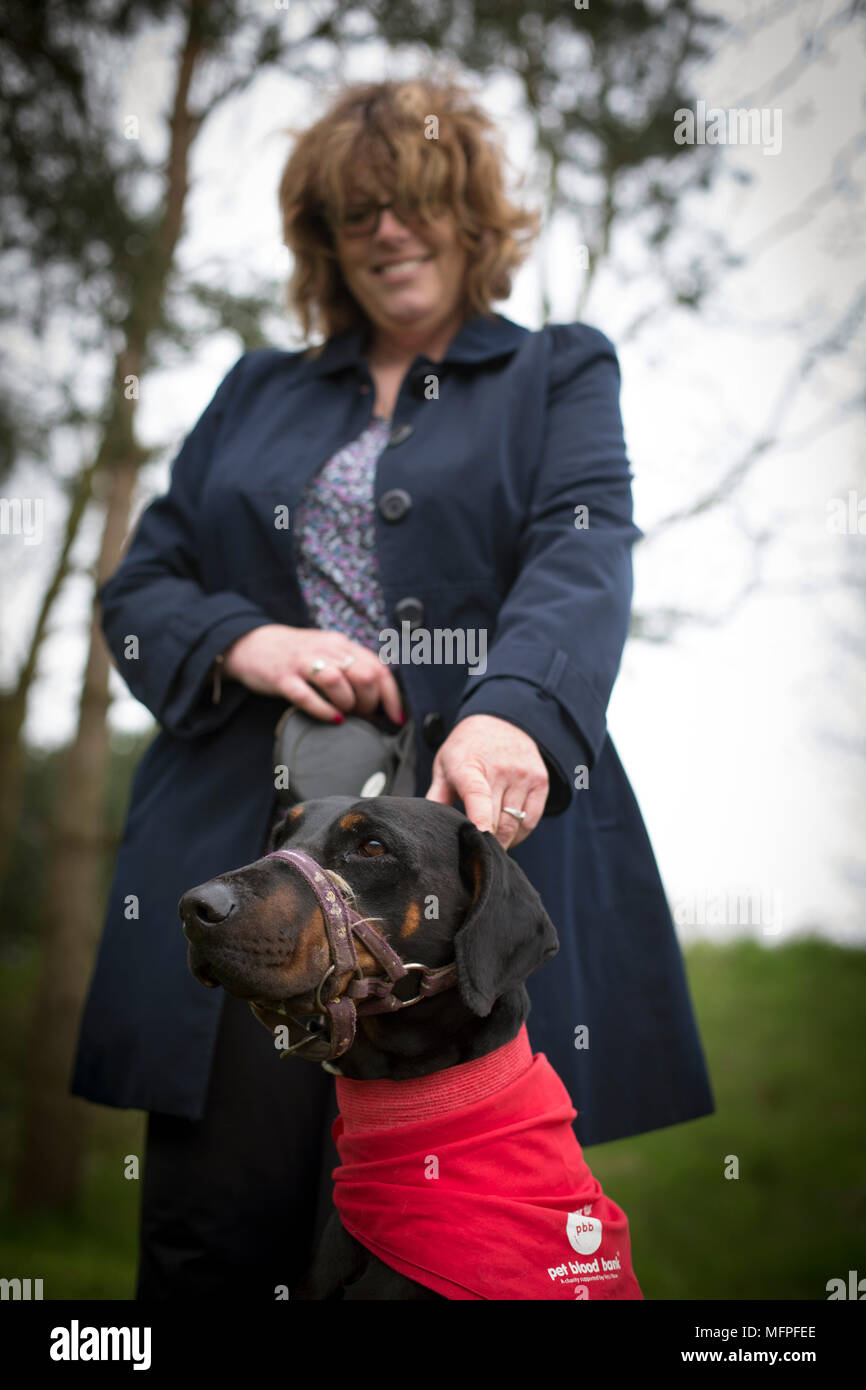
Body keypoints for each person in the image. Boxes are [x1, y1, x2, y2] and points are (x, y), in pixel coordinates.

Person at [71, 77, 714, 1300]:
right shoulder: (256, 388)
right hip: (251, 845)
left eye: (415, 201)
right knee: (219, 1237)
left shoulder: (557, 372)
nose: (387, 231)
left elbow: (582, 554)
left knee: (460, 1256)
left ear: (470, 218)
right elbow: (141, 584)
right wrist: (242, 640)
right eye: (356, 211)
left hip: (445, 871)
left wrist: (512, 706)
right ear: (324, 237)